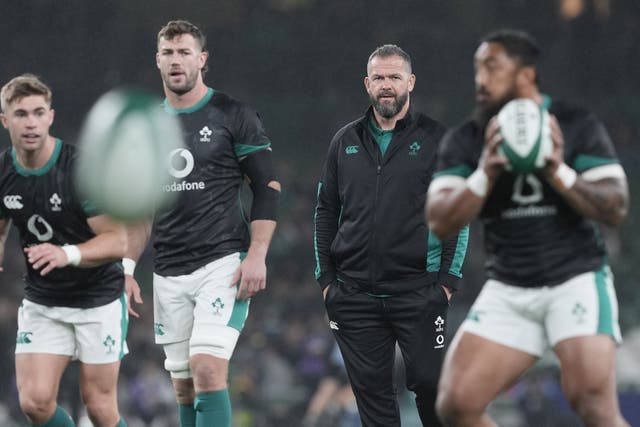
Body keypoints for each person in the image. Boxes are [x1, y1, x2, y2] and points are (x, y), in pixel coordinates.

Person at [426, 29, 630, 427]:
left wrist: (558, 172)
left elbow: (616, 207)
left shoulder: (574, 124)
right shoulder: (468, 140)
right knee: (455, 405)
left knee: (592, 402)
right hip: (509, 288)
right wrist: (485, 173)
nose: (480, 79)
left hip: (575, 278)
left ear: (526, 76)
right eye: (477, 69)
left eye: (492, 67)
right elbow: (439, 219)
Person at [125, 20, 280, 427]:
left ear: (202, 59)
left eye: (185, 52)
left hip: (223, 262)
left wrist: (257, 256)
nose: (177, 60)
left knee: (208, 369)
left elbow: (267, 188)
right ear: (158, 60)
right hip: (169, 271)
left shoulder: (234, 114)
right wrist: (125, 269)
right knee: (184, 386)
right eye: (169, 53)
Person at [314, 44, 469, 427]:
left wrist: (447, 283)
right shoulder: (343, 141)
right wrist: (327, 282)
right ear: (367, 83)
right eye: (379, 78)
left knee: (433, 391)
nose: (387, 85)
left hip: (419, 292)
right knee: (373, 401)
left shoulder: (437, 140)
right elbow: (326, 211)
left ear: (410, 83)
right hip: (354, 296)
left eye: (395, 77)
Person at [0, 74, 130, 426]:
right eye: (22, 114)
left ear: (51, 117)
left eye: (39, 113)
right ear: (5, 120)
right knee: (34, 403)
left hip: (97, 299)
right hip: (44, 301)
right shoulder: (3, 171)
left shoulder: (79, 168)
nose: (31, 122)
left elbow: (117, 240)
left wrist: (66, 253)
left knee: (100, 409)